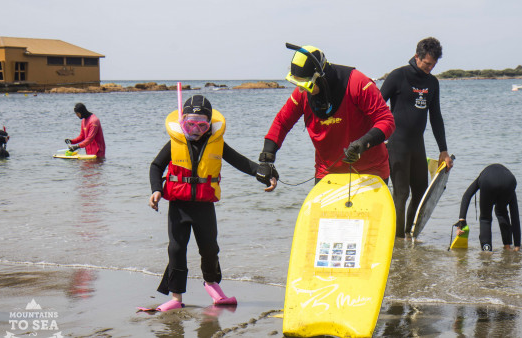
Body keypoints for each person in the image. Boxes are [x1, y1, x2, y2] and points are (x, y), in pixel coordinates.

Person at [148, 95, 278, 312]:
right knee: (176, 250)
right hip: (179, 207)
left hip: (204, 206)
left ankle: (212, 285)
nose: (195, 130)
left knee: (209, 248)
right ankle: (176, 297)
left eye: (201, 125)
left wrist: (263, 173)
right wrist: (156, 190)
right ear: (182, 123)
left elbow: (240, 162)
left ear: (209, 125)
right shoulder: (174, 143)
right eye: (189, 124)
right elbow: (155, 166)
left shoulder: (216, 144)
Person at [258, 43, 395, 186]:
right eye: (298, 84)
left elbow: (386, 120)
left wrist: (363, 143)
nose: (302, 90)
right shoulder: (303, 93)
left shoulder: (357, 83)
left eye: (306, 85)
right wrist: (267, 159)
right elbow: (282, 122)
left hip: (370, 172)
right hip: (327, 174)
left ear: (319, 76)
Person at [380, 37, 453, 238]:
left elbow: (436, 117)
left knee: (421, 191)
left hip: (417, 144)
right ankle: (397, 240)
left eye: (433, 64)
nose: (430, 68)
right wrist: (376, 138)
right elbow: (376, 106)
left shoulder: (432, 82)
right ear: (417, 57)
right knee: (401, 194)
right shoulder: (398, 76)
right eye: (427, 63)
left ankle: (408, 234)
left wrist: (443, 149)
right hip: (397, 143)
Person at [454, 164, 521, 252]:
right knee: (501, 211)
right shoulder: (510, 185)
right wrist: (517, 245)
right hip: (509, 181)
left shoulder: (482, 177)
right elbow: (514, 215)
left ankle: (487, 250)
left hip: (488, 181)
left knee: (485, 218)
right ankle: (508, 246)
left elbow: (467, 195)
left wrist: (461, 221)